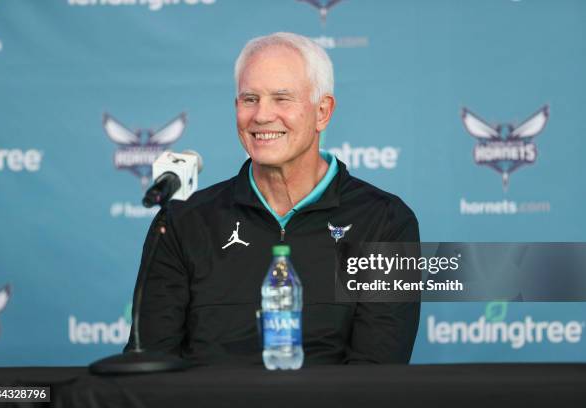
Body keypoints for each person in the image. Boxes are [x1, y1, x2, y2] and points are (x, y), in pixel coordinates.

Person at [125, 32, 420, 365]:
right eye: (250, 99)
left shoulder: (386, 222)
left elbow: (377, 373)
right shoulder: (182, 221)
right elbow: (151, 364)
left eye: (282, 98)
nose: (262, 115)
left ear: (322, 111)